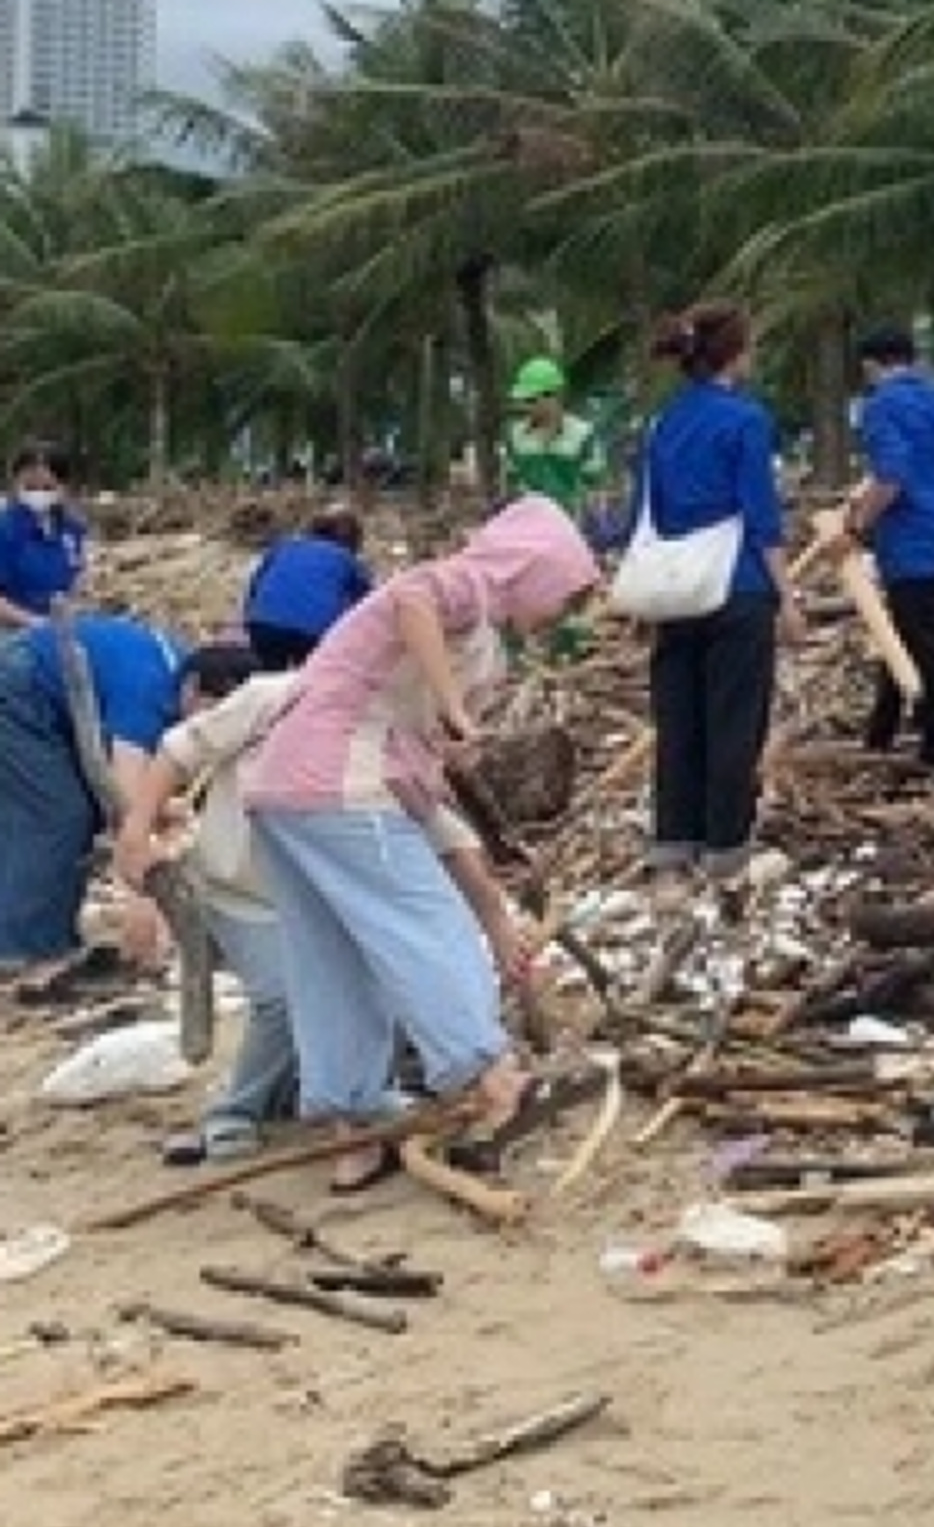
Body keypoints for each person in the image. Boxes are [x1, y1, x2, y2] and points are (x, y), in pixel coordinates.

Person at [241, 499, 592, 1186]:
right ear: (536, 569)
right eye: (564, 596)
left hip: (283, 788)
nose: (560, 616)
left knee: (333, 961)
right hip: (343, 781)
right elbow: (411, 598)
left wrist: (492, 902)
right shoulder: (468, 584)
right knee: (429, 930)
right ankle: (494, 1081)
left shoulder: (475, 634)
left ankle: (352, 1135)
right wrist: (454, 706)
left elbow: (427, 791)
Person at [111, 644, 305, 1162]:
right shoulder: (269, 701)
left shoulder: (391, 715)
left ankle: (294, 1094)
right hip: (240, 889)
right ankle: (235, 1110)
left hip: (313, 894)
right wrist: (138, 838)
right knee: (280, 998)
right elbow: (176, 756)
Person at [637, 301, 800, 877]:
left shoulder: (663, 424)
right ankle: (726, 845)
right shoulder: (745, 420)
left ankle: (673, 839)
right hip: (738, 585)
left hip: (675, 587)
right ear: (734, 354)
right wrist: (786, 594)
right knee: (734, 718)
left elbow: (648, 511)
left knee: (678, 717)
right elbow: (760, 514)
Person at [0, 607, 180, 965]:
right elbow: (123, 802)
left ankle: (44, 931)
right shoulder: (149, 694)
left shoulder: (172, 664)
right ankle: (23, 950)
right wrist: (142, 901)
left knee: (52, 812)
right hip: (17, 687)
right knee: (58, 815)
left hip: (34, 677)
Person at [844, 324, 934, 773]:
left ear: (871, 365)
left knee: (923, 639)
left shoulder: (881, 406)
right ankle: (883, 727)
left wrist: (859, 523)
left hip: (913, 537)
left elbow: (892, 477)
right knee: (903, 630)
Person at [240, 506, 374, 672]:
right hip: (311, 633)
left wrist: (249, 619)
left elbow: (255, 586)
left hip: (262, 624)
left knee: (269, 676)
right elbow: (368, 605)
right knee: (309, 681)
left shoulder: (283, 547)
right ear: (354, 540)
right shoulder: (348, 561)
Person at [501, 359, 608, 516]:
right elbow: (510, 485)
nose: (524, 406)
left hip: (569, 527)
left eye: (531, 400)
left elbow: (595, 487)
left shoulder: (584, 435)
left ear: (554, 397)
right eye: (523, 401)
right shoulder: (514, 435)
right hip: (527, 526)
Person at [0, 444, 89, 630]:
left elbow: (78, 574)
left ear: (62, 486)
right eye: (30, 487)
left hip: (61, 626)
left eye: (47, 487)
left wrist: (72, 606)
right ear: (16, 484)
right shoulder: (6, 530)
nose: (38, 493)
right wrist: (32, 622)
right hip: (12, 633)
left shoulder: (71, 529)